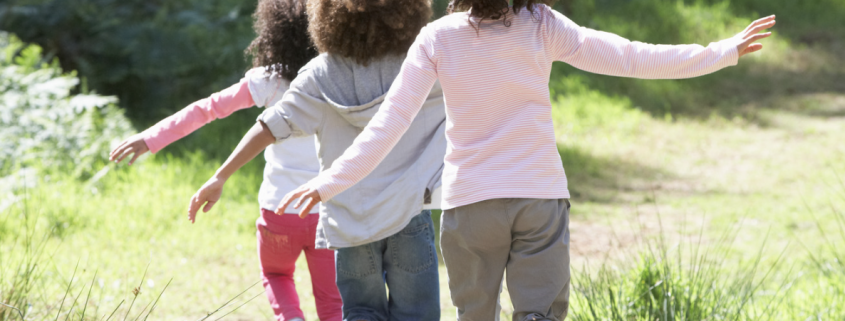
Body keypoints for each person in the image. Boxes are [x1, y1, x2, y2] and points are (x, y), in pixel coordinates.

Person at [276, 0, 776, 319]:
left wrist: (331, 182)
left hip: (471, 207)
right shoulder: (542, 26)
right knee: (539, 315)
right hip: (539, 199)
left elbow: (388, 125)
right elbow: (629, 56)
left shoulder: (438, 38)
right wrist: (719, 51)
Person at [188, 0, 446, 319]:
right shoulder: (419, 66)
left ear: (326, 16)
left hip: (348, 219)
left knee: (361, 311)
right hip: (409, 212)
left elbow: (269, 126)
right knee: (417, 313)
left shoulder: (320, 74)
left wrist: (220, 176)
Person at [108, 0, 342, 319]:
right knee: (332, 300)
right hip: (327, 211)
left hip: (279, 210)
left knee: (276, 276)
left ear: (274, 32)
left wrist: (151, 137)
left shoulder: (268, 81)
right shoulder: (338, 79)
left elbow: (207, 109)